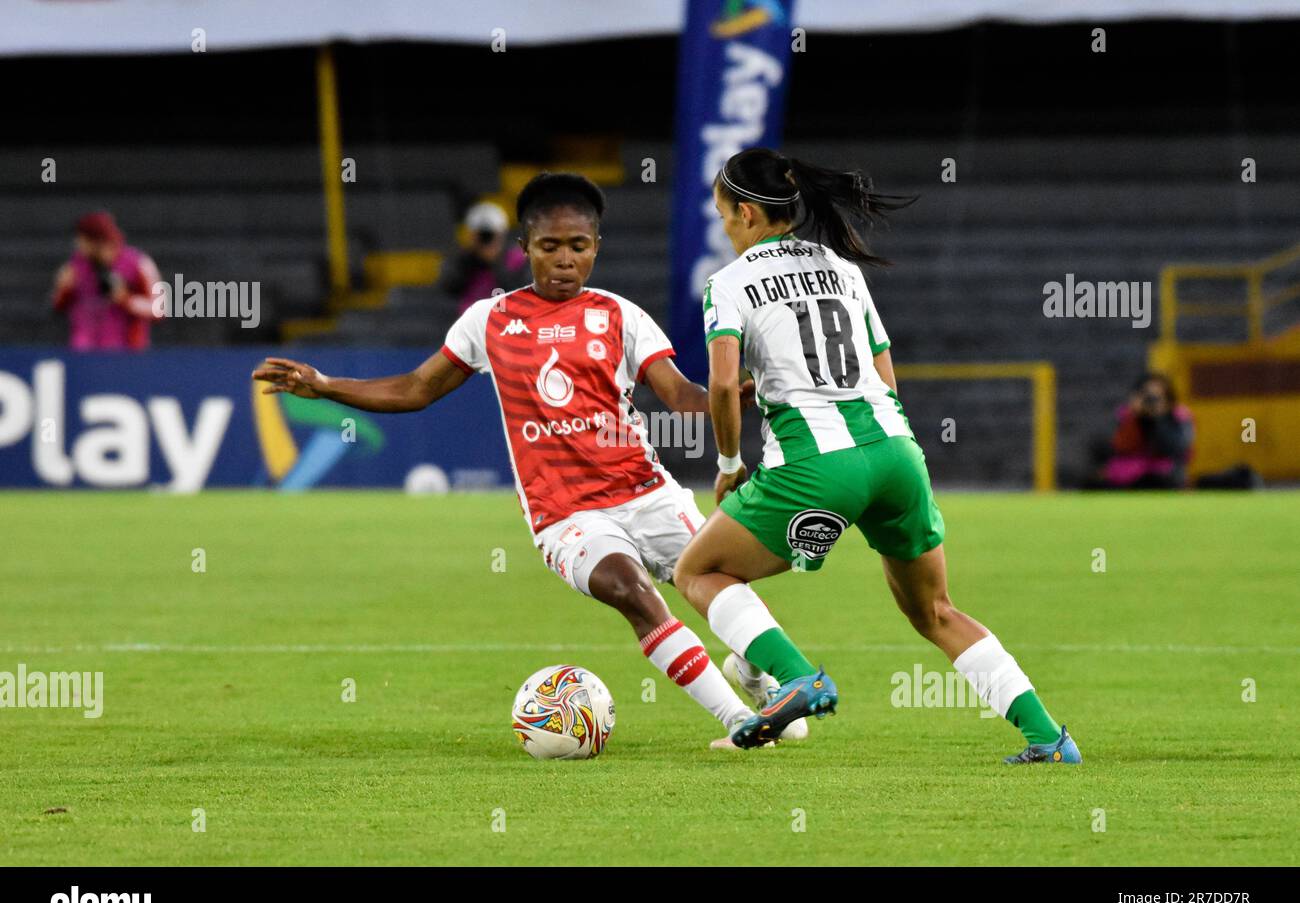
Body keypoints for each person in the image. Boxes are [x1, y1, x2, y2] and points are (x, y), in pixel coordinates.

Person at [254, 173, 804, 748]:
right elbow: (416, 389)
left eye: (579, 247)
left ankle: (755, 673)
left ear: (596, 248)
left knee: (723, 579)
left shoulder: (621, 316)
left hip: (647, 493)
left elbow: (682, 396)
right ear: (525, 248)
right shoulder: (489, 321)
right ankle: (739, 721)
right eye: (549, 247)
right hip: (565, 515)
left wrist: (732, 393)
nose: (564, 260)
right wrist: (326, 385)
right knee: (631, 591)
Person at [672, 147, 1082, 763]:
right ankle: (1048, 737)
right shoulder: (841, 267)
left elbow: (723, 385)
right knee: (937, 611)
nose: (724, 226)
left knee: (697, 572)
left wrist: (730, 465)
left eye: (724, 214)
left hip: (815, 466)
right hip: (895, 454)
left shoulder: (727, 285)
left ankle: (794, 678)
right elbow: (881, 377)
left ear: (749, 214)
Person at [52, 212, 163, 351]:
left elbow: (159, 310)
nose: (78, 245)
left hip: (126, 353)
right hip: (83, 353)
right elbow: (58, 306)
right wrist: (65, 289)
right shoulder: (75, 267)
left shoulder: (138, 264)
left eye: (83, 240)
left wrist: (125, 299)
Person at [1094, 372, 1194, 489]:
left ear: (1168, 399)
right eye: (1147, 397)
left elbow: (1178, 448)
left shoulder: (1178, 417)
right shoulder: (1127, 416)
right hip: (1129, 475)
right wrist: (1133, 417)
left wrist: (1159, 419)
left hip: (1165, 475)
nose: (1151, 402)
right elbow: (1116, 447)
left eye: (1156, 398)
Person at [439, 201, 530, 314]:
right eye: (482, 235)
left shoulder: (517, 259)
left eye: (490, 234)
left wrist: (496, 262)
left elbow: (520, 291)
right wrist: (472, 259)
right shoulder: (460, 260)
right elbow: (449, 289)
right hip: (470, 321)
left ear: (502, 234)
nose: (486, 239)